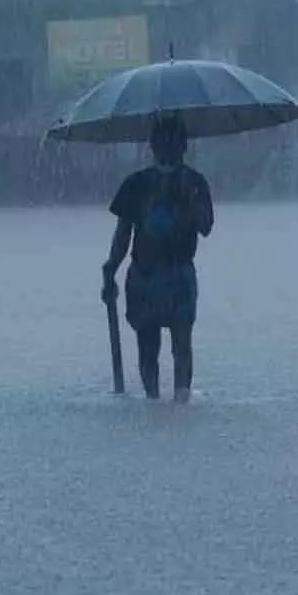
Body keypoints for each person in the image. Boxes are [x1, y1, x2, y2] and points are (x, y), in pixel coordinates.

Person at [101, 116, 214, 403]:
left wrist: (191, 199)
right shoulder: (136, 184)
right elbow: (123, 233)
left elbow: (206, 227)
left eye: (175, 142)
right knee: (147, 346)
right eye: (163, 142)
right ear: (152, 146)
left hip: (179, 275)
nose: (169, 148)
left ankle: (181, 401)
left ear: (184, 146)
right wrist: (111, 268)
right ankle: (152, 400)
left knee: (181, 345)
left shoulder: (194, 183)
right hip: (145, 276)